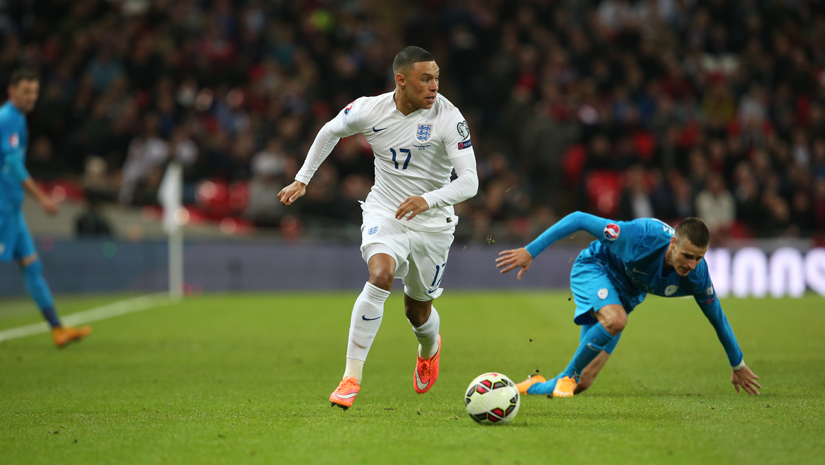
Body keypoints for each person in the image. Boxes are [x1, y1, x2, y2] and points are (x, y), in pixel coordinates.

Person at [279, 46, 478, 409]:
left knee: (417, 312)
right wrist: (302, 179)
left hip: (433, 224)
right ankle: (350, 377)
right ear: (400, 80)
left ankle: (430, 347)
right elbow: (329, 131)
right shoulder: (370, 109)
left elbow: (470, 182)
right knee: (381, 274)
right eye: (426, 79)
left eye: (437, 78)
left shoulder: (449, 117)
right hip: (385, 211)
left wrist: (428, 199)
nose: (434, 86)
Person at [496, 213, 761, 397]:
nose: (691, 264)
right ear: (673, 243)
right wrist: (531, 250)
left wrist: (737, 365)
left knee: (584, 383)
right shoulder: (638, 236)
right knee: (616, 321)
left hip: (626, 296)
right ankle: (568, 373)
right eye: (687, 256)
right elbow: (578, 218)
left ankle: (533, 386)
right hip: (595, 269)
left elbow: (717, 317)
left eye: (699, 258)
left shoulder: (696, 274)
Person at [0, 69, 92, 347]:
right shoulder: (7, 119)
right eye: (25, 91)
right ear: (11, 92)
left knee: (32, 266)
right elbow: (13, 164)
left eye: (34, 91)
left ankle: (57, 329)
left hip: (12, 208)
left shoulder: (18, 119)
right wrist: (41, 197)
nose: (31, 97)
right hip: (2, 209)